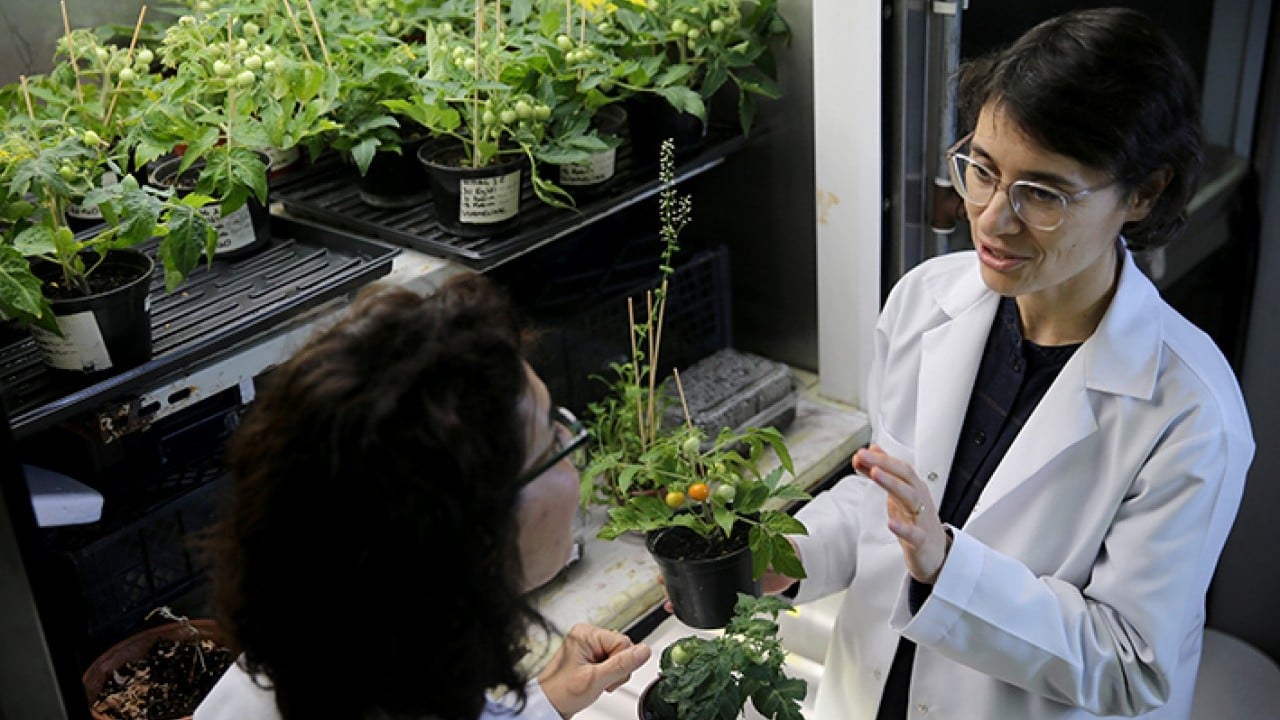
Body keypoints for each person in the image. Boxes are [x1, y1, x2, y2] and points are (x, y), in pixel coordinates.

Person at [771, 8, 1254, 719]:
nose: (994, 217)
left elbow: (1132, 667)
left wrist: (947, 570)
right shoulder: (925, 301)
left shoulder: (1190, 412)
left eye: (1043, 195)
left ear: (1143, 193)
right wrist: (779, 557)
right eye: (983, 172)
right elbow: (890, 505)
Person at [195, 275, 651, 720]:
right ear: (478, 538)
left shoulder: (325, 651)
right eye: (552, 439)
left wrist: (548, 699)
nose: (570, 439)